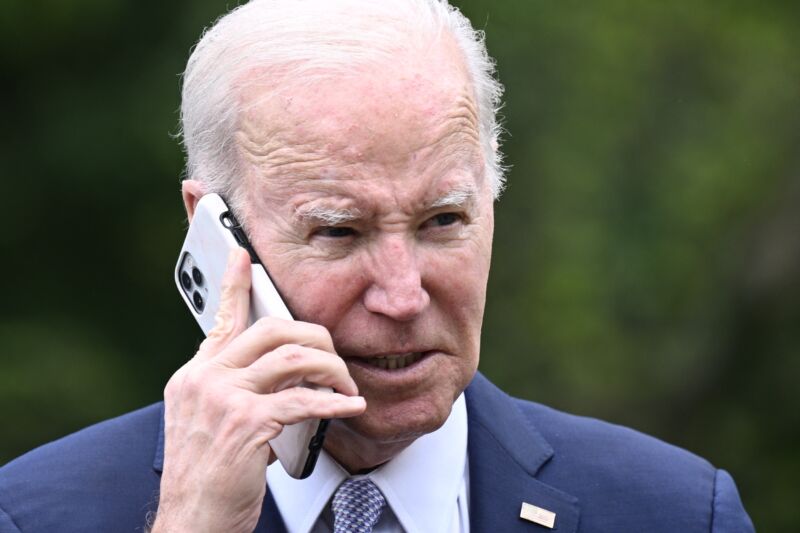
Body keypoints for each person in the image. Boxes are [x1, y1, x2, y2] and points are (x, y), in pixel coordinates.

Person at [0, 1, 755, 532]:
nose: (401, 293)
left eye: (443, 221)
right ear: (212, 233)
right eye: (338, 231)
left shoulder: (678, 511)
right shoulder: (35, 513)